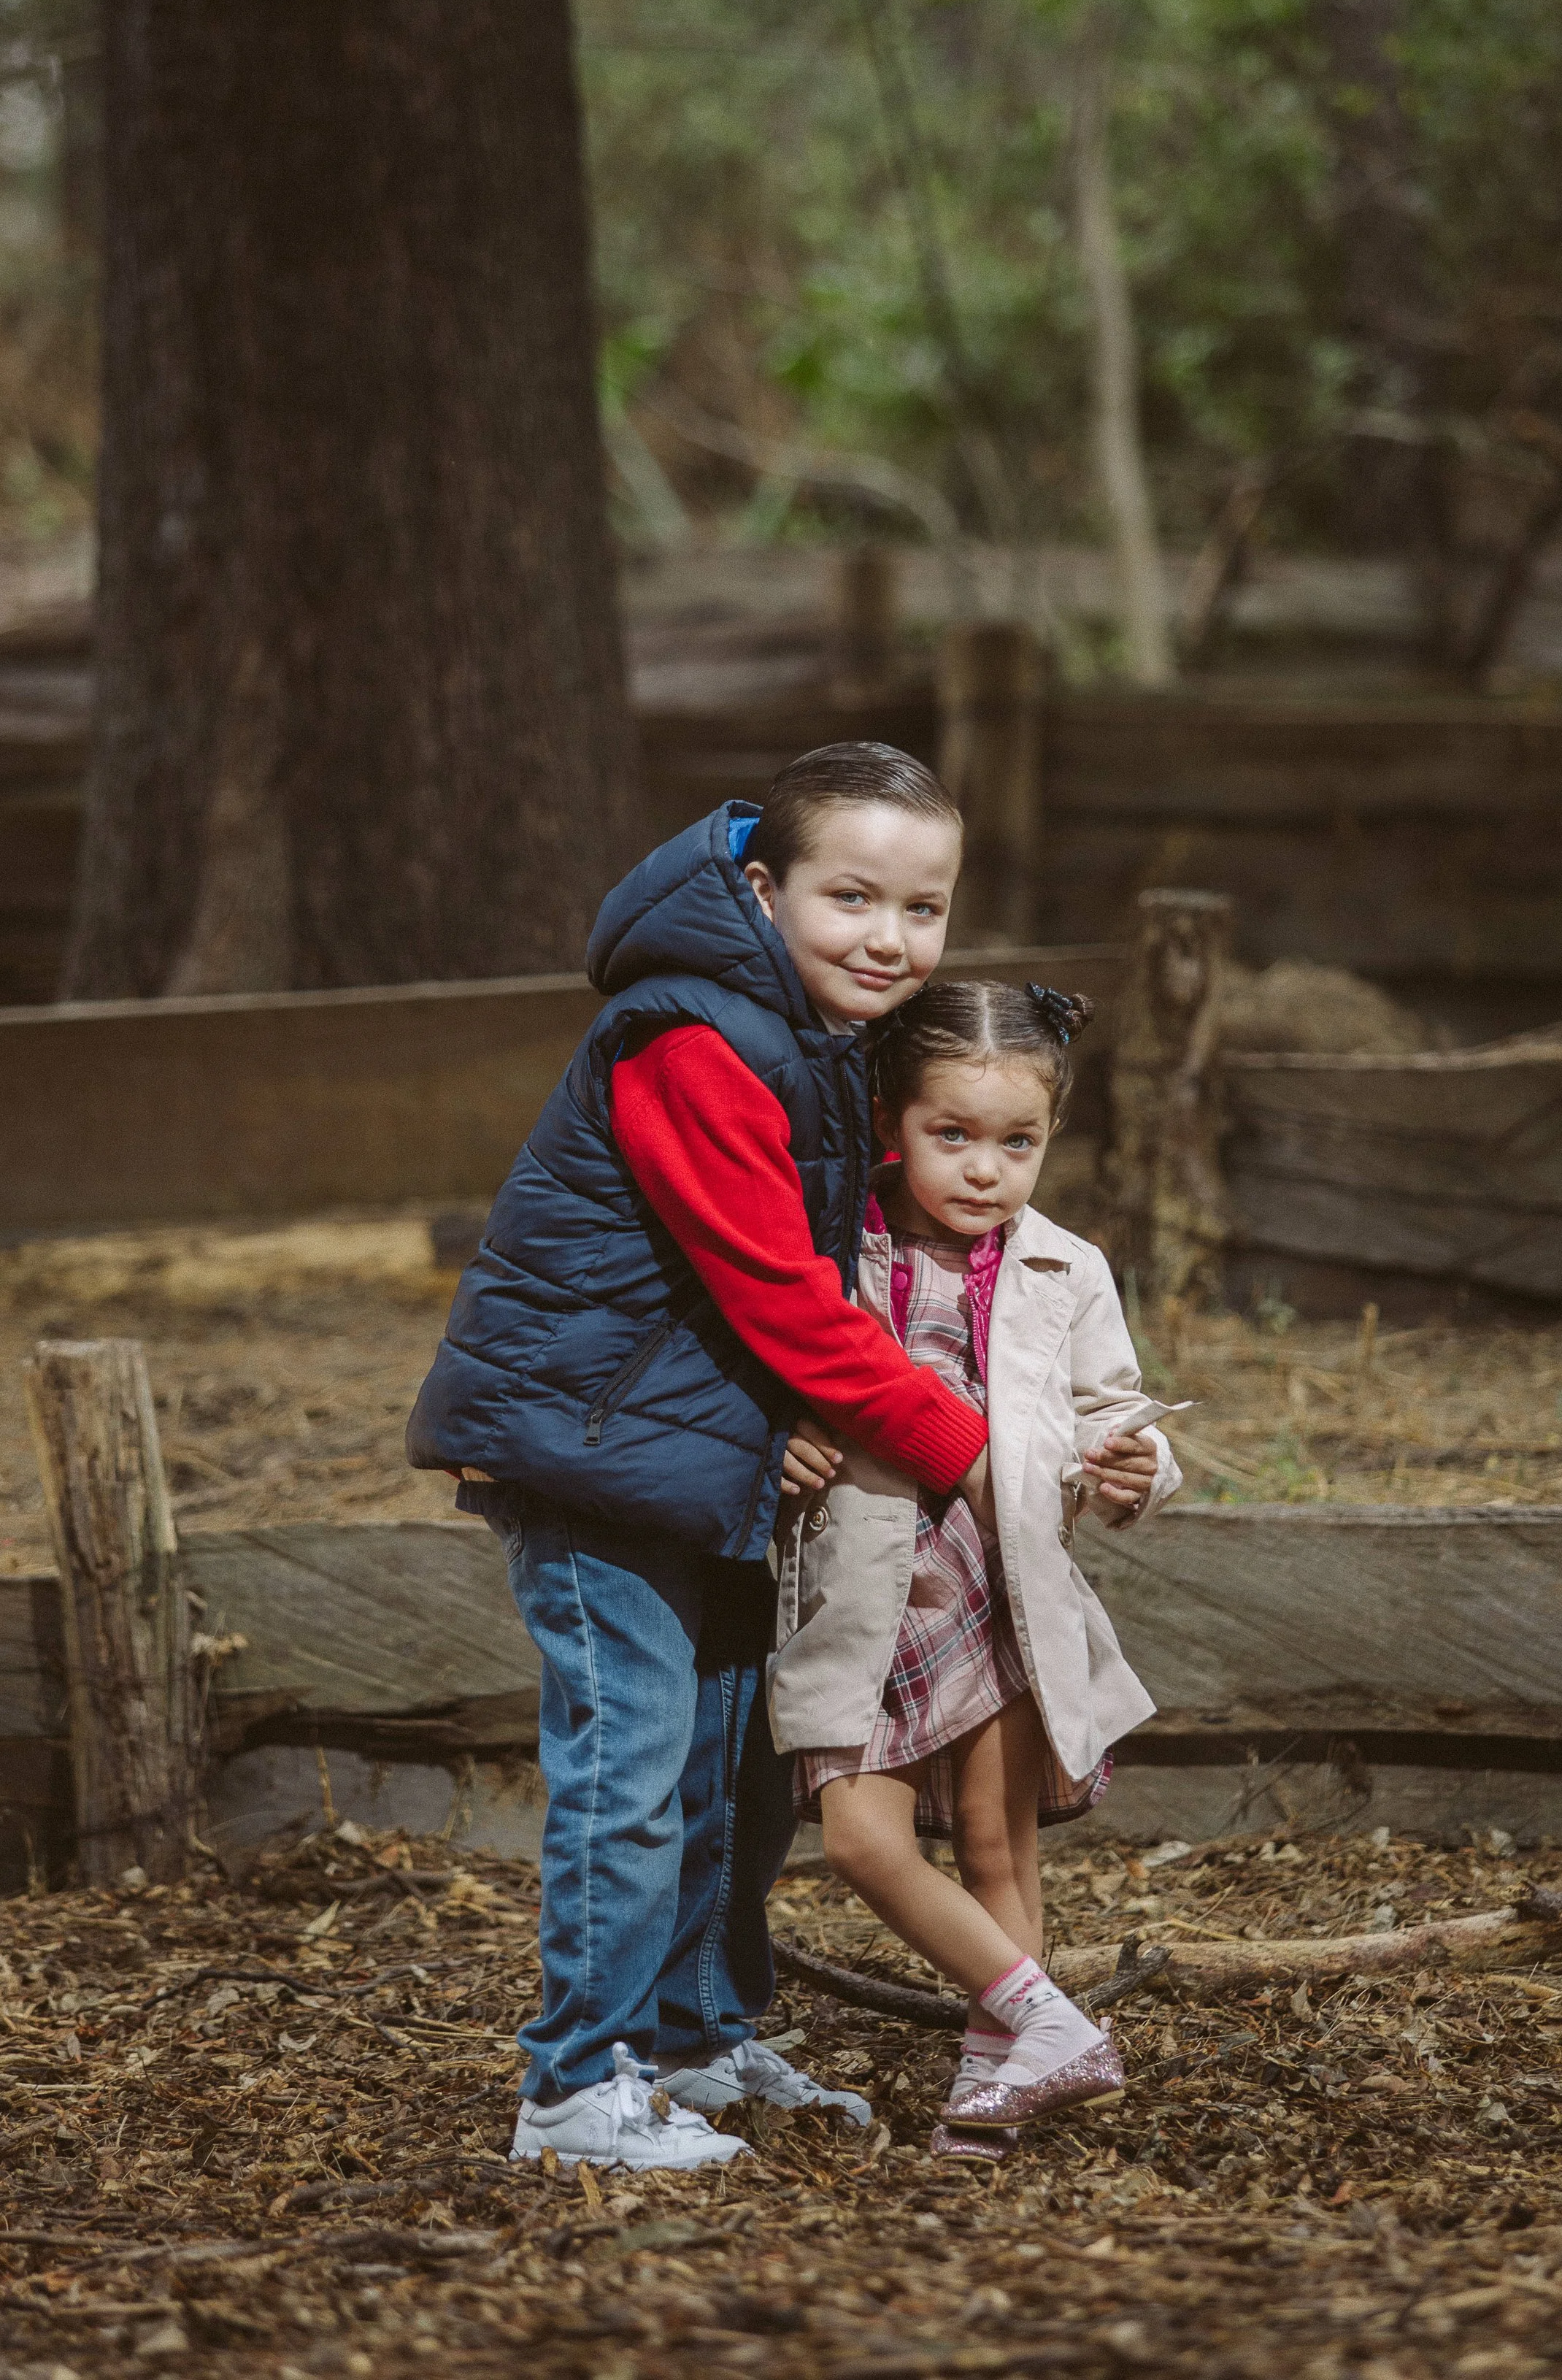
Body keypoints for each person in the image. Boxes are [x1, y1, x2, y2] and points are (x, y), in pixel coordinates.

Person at [407, 743, 1000, 2170]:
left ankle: (690, 2036)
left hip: (707, 1452)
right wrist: (963, 1450)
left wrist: (799, 1420)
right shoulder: (697, 1042)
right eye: (849, 896)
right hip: (592, 1452)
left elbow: (809, 1271)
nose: (887, 938)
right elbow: (778, 1300)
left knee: (731, 1771)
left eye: (921, 910)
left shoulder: (821, 1039)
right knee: (630, 1767)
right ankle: (573, 2089)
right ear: (759, 885)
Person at [766, 979, 1182, 2157]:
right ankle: (1051, 2021)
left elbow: (1121, 1409)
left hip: (998, 1586)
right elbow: (777, 1382)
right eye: (953, 1135)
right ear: (892, 1115)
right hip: (864, 1592)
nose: (985, 1169)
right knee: (860, 1838)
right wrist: (776, 1442)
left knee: (1000, 1846)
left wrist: (1137, 1467)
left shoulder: (1067, 1266)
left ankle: (992, 2097)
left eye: (1019, 1141)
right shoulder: (831, 1243)